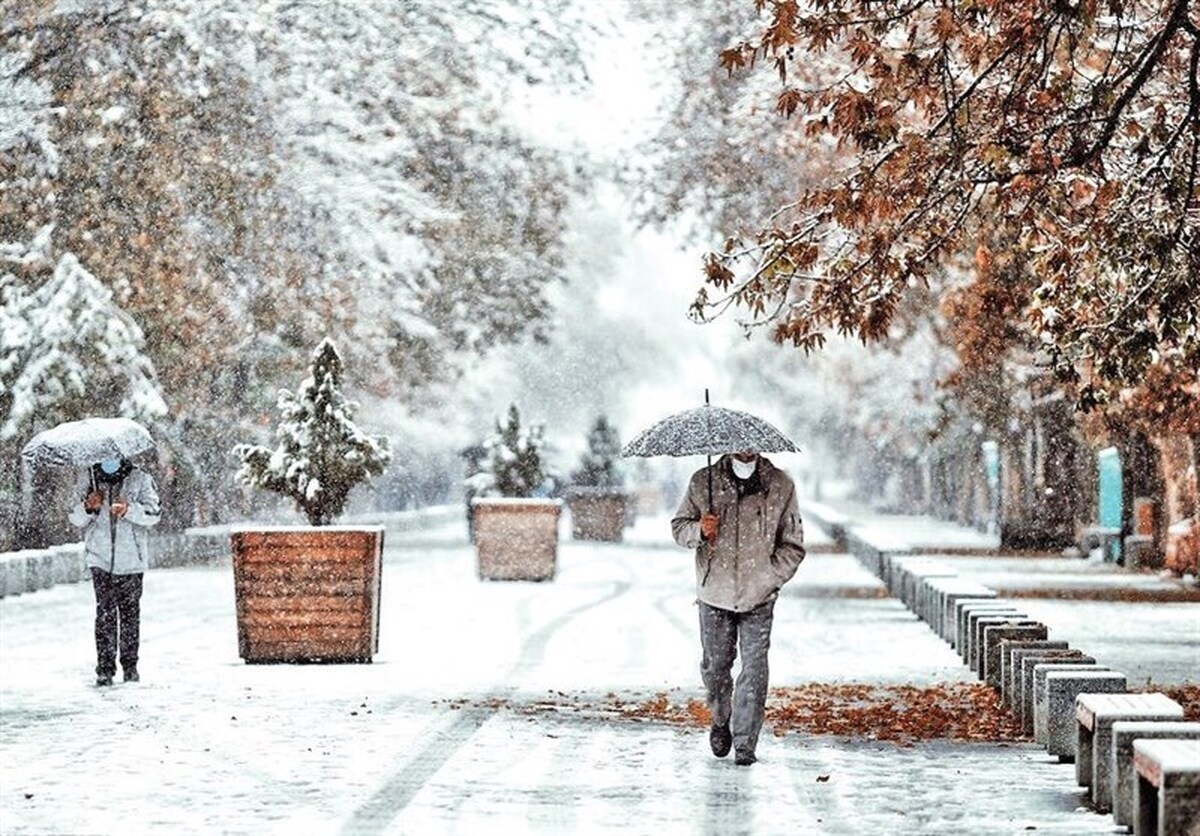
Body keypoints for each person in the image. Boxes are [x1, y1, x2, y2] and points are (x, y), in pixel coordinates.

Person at [671, 450, 806, 766]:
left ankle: (745, 742)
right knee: (716, 667)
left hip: (759, 596)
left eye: (750, 445)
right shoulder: (703, 481)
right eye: (737, 445)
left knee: (755, 669)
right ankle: (721, 718)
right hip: (714, 592)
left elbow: (794, 544)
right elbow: (679, 528)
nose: (744, 451)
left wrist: (770, 577)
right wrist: (700, 531)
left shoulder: (781, 485)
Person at [68, 457, 160, 687]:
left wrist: (130, 509)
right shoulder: (88, 479)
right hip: (99, 559)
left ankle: (130, 666)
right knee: (105, 614)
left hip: (131, 561)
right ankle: (105, 668)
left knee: (130, 614)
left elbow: (154, 513)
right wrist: (89, 506)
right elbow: (74, 517)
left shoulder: (140, 479)